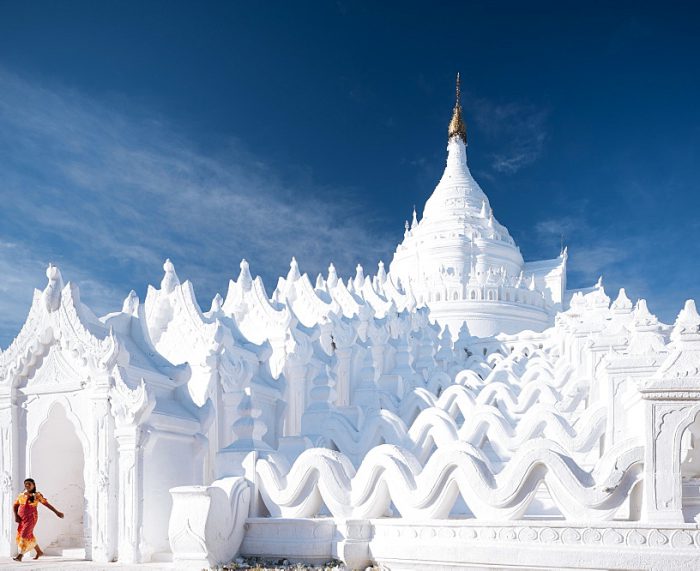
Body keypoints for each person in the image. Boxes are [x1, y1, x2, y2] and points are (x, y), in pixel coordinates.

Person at [12, 478, 64, 561]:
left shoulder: (37, 495)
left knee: (24, 535)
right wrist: (16, 516)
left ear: (34, 485)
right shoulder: (21, 495)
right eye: (26, 484)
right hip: (22, 518)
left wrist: (57, 512)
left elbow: (47, 504)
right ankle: (39, 551)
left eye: (29, 484)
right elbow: (15, 506)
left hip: (31, 518)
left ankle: (20, 555)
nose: (27, 485)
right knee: (29, 535)